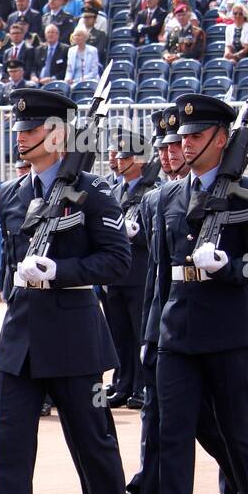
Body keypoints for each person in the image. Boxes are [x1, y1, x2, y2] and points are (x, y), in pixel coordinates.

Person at [0, 87, 136, 494]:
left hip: (72, 340)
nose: (20, 138)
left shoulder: (95, 192)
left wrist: (59, 270)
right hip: (20, 341)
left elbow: (117, 261)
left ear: (58, 135)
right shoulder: (12, 193)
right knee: (10, 452)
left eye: (30, 130)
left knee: (94, 445)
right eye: (18, 130)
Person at [133, 92, 248, 494]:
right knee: (172, 436)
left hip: (229, 329)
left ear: (222, 138)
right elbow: (157, 273)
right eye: (183, 138)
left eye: (197, 136)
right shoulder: (167, 196)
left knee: (241, 431)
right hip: (176, 329)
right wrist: (151, 337)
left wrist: (232, 266)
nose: (187, 145)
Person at [101, 130, 160, 411]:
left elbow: (160, 234)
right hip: (115, 275)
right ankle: (122, 383)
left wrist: (137, 234)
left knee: (138, 333)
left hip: (139, 274)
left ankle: (140, 385)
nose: (118, 161)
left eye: (125, 157)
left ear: (139, 161)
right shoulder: (115, 190)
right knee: (119, 334)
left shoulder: (153, 190)